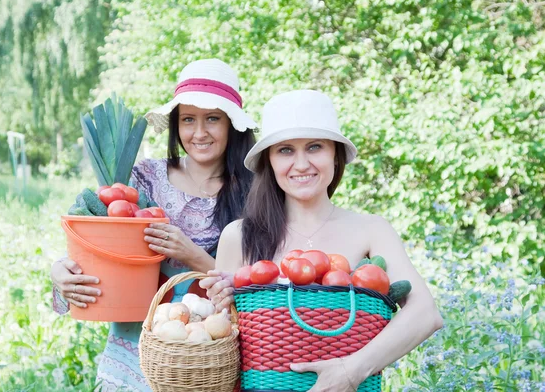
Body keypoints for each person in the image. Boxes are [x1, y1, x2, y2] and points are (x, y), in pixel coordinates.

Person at [201, 90, 443, 392]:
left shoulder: (371, 230)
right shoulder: (239, 236)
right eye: (285, 150)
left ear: (334, 154)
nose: (301, 164)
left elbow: (425, 313)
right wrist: (225, 301)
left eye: (314, 147)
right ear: (270, 161)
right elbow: (223, 345)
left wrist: (350, 372)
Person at [50, 58, 257, 391]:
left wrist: (193, 256)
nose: (199, 132)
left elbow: (258, 287)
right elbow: (104, 249)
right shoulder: (145, 177)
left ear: (232, 125)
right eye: (188, 119)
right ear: (176, 126)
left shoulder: (257, 191)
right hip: (137, 350)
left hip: (209, 356)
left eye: (213, 119)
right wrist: (61, 272)